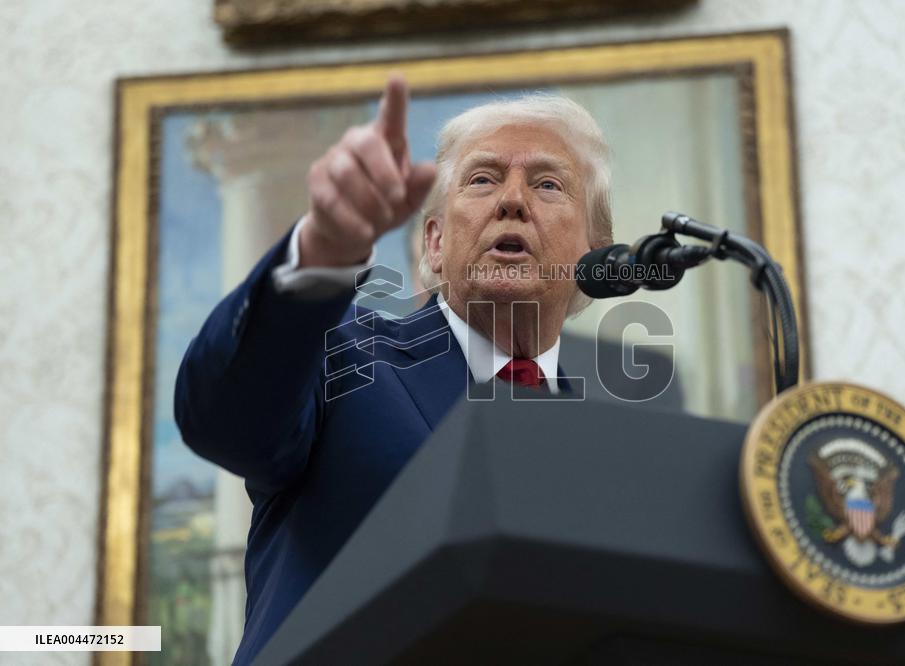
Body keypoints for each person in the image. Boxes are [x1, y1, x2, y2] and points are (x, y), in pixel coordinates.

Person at [174, 74, 676, 665]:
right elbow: (225, 417)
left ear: (599, 255)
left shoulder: (617, 454)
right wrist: (323, 253)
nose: (512, 200)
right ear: (434, 244)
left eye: (547, 183)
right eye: (483, 179)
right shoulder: (343, 357)